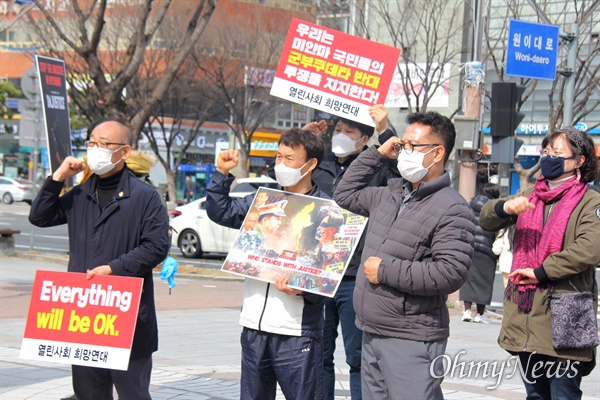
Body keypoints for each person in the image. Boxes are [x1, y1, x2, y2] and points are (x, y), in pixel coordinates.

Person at [333, 111, 476, 400]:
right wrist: (378, 153)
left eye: (413, 146)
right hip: (372, 330)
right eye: (403, 146)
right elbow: (344, 194)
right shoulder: (389, 193)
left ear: (437, 153)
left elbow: (449, 273)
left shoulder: (453, 207)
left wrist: (385, 270)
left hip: (412, 337)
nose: (404, 152)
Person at [28, 119, 170, 400]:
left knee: (133, 393)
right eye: (91, 142)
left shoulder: (145, 197)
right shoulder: (80, 193)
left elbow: (156, 247)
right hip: (85, 315)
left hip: (126, 316)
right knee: (88, 393)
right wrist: (58, 177)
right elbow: (39, 216)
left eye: (104, 144)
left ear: (125, 152)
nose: (95, 149)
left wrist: (114, 269)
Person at [205, 128, 329, 400]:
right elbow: (221, 210)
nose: (281, 165)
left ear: (311, 165)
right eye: (278, 157)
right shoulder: (263, 201)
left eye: (290, 159)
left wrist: (303, 288)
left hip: (296, 332)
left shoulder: (326, 212)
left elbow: (331, 272)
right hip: (254, 327)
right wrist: (222, 175)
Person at [479, 126, 600, 399]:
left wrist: (541, 271)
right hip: (526, 317)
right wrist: (504, 208)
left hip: (565, 318)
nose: (548, 158)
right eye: (545, 152)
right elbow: (486, 217)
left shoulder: (591, 201)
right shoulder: (531, 194)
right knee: (534, 394)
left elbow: (590, 249)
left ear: (579, 160)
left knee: (563, 394)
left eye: (557, 153)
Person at [308, 105, 399, 400]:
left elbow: (400, 165)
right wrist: (305, 139)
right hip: (320, 273)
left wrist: (385, 127)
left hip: (355, 276)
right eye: (338, 130)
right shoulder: (318, 165)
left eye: (350, 132)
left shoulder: (377, 168)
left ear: (364, 140)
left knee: (359, 357)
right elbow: (286, 179)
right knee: (318, 354)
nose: (341, 136)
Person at [460, 183, 500, 324]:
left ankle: (467, 311)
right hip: (486, 249)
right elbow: (497, 229)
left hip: (470, 247)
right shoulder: (494, 208)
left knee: (468, 280)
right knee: (484, 282)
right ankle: (480, 313)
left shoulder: (471, 205)